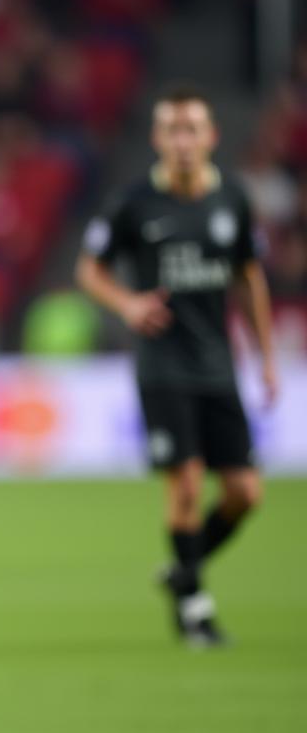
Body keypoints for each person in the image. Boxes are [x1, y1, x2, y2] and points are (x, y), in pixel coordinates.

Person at [75, 84, 278, 647]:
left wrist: (265, 358)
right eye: (173, 129)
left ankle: (181, 571)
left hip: (218, 366)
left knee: (244, 494)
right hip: (163, 367)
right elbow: (89, 269)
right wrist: (128, 303)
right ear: (157, 138)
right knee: (186, 484)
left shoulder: (232, 199)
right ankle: (194, 609)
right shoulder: (135, 203)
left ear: (210, 137)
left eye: (193, 129)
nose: (184, 140)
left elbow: (250, 278)